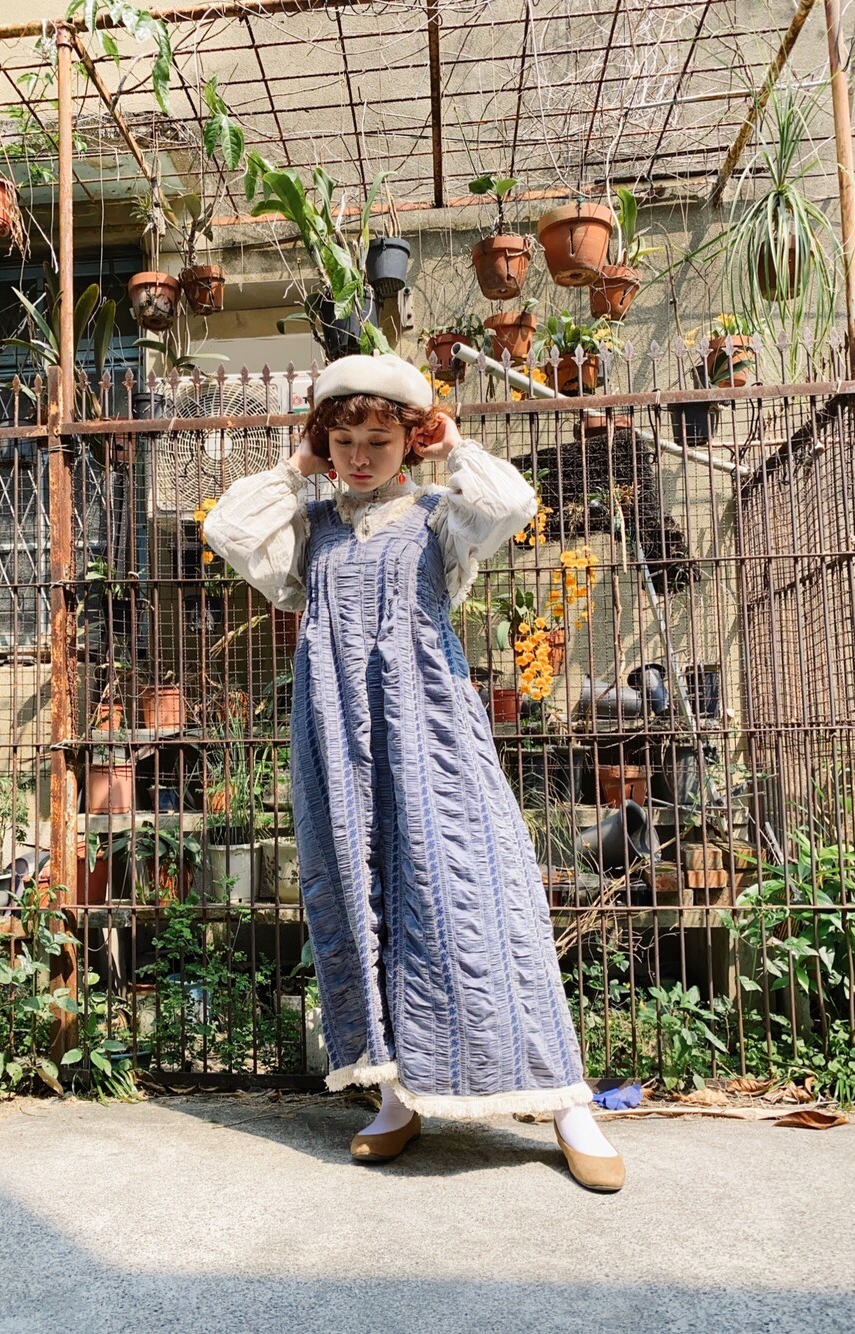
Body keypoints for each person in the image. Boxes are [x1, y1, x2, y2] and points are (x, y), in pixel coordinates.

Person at [203, 353, 624, 1191]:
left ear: (410, 439)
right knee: (360, 898)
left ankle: (565, 1101)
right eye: (344, 441)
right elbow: (230, 529)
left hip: (431, 730)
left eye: (380, 440)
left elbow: (510, 504)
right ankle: (397, 1097)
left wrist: (452, 446)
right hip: (338, 738)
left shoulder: (439, 516)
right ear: (324, 443)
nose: (360, 457)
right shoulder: (311, 529)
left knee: (482, 893)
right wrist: (296, 467)